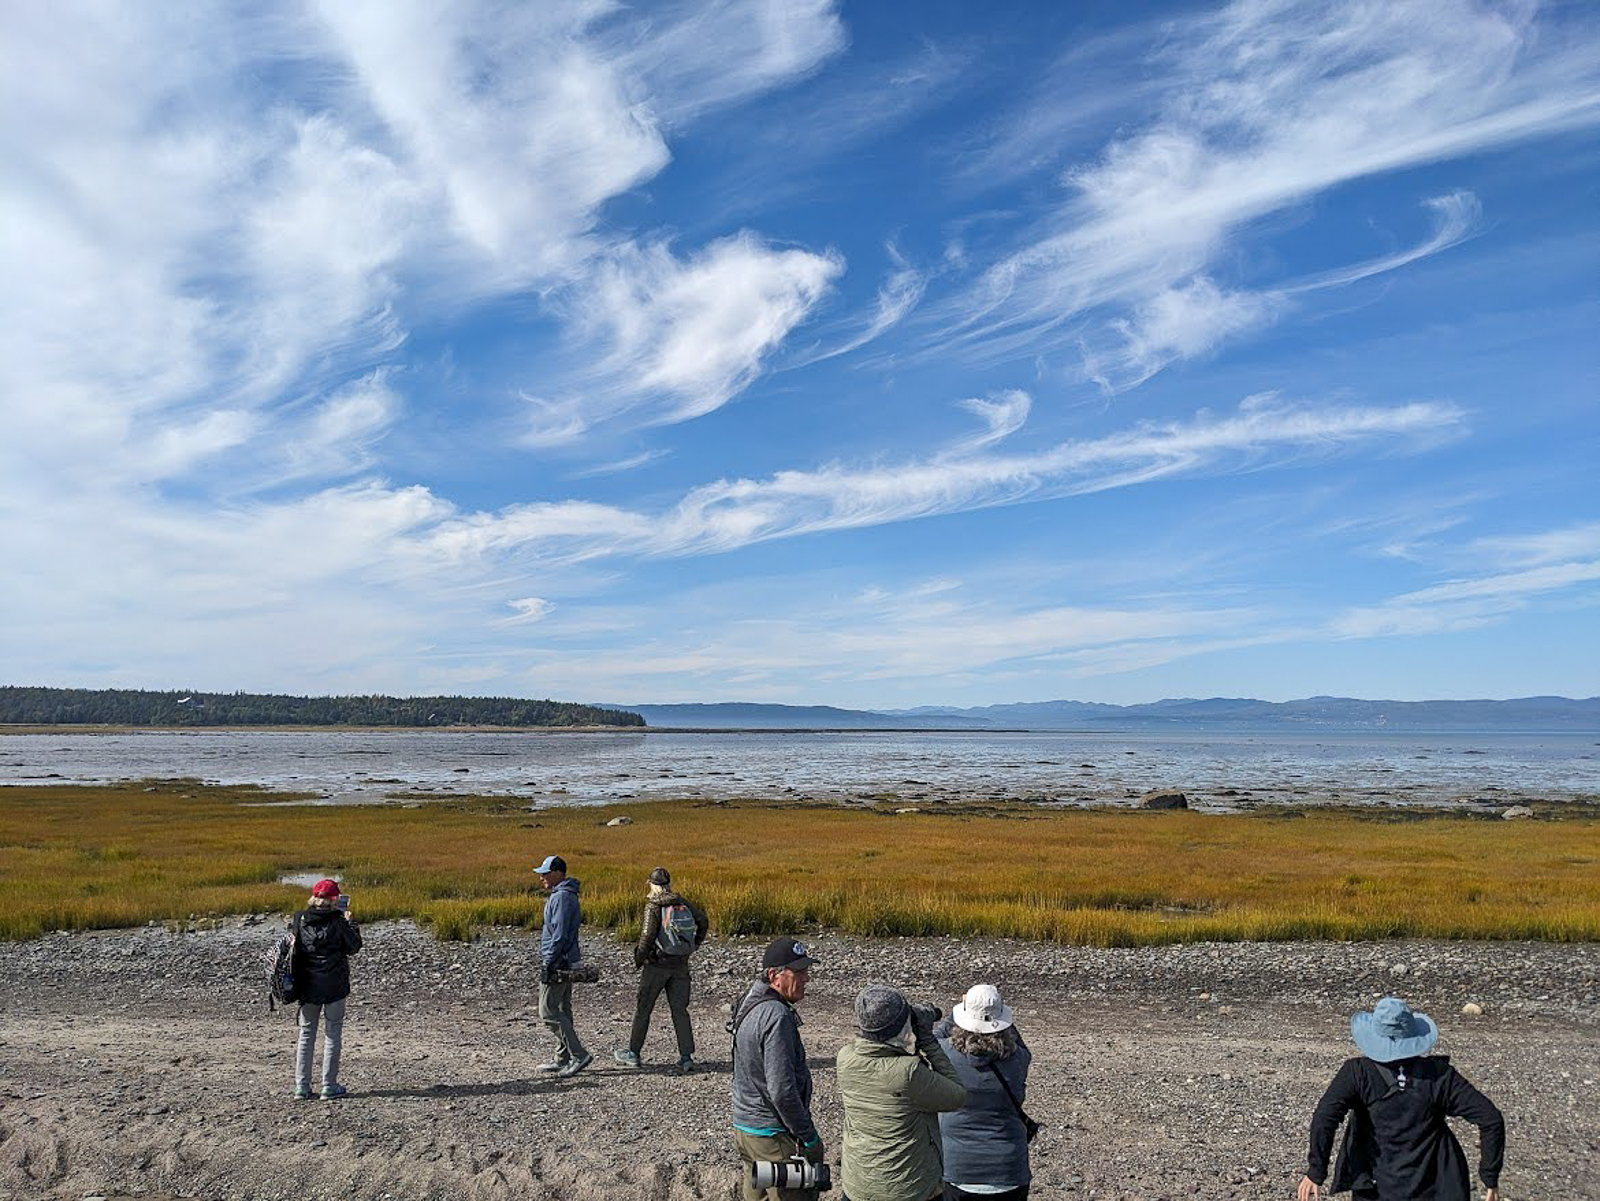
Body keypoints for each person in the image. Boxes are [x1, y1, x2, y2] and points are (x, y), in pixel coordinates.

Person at [1299, 996, 1504, 1201]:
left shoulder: (1357, 1073)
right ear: (1413, 1035)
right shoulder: (1439, 1075)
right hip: (1438, 1186)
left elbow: (1324, 1118)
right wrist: (1490, 1177)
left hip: (1377, 1187)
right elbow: (1490, 1118)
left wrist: (1316, 1172)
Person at [836, 984, 969, 1201]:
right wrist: (927, 1040)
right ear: (901, 1026)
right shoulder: (908, 1073)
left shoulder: (845, 1058)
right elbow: (957, 1095)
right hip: (907, 1189)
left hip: (858, 1183)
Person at [732, 935, 824, 1201]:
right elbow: (781, 1091)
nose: (806, 978)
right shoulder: (777, 1016)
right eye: (799, 971)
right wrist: (810, 1138)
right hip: (772, 1137)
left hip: (746, 1130)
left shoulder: (749, 1001)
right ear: (774, 975)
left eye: (806, 970)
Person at [935, 983, 1033, 1200]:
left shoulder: (945, 1055)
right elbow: (1019, 1042)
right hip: (1008, 1169)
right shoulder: (1018, 1060)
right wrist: (996, 1015)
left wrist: (957, 1012)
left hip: (958, 1167)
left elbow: (930, 1039)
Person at [615, 865, 708, 1073]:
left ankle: (633, 1053)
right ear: (668, 884)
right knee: (680, 1011)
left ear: (652, 885)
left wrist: (639, 958)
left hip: (657, 965)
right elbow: (703, 921)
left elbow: (647, 936)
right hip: (680, 964)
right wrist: (693, 946)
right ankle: (686, 1057)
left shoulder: (653, 905)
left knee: (644, 1009)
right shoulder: (682, 902)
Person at [293, 878, 362, 1101]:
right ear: (335, 900)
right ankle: (328, 1086)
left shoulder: (299, 919)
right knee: (332, 1034)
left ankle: (301, 1087)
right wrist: (351, 922)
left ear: (314, 898)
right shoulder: (339, 921)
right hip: (334, 985)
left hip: (307, 985)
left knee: (306, 1034)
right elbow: (354, 947)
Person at [534, 854, 591, 1077]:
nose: (542, 878)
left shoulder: (561, 898)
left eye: (545, 873)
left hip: (560, 961)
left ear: (558, 873)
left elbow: (559, 934)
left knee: (547, 1011)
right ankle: (562, 1057)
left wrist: (549, 962)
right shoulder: (565, 895)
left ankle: (578, 1054)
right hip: (567, 959)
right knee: (563, 1009)